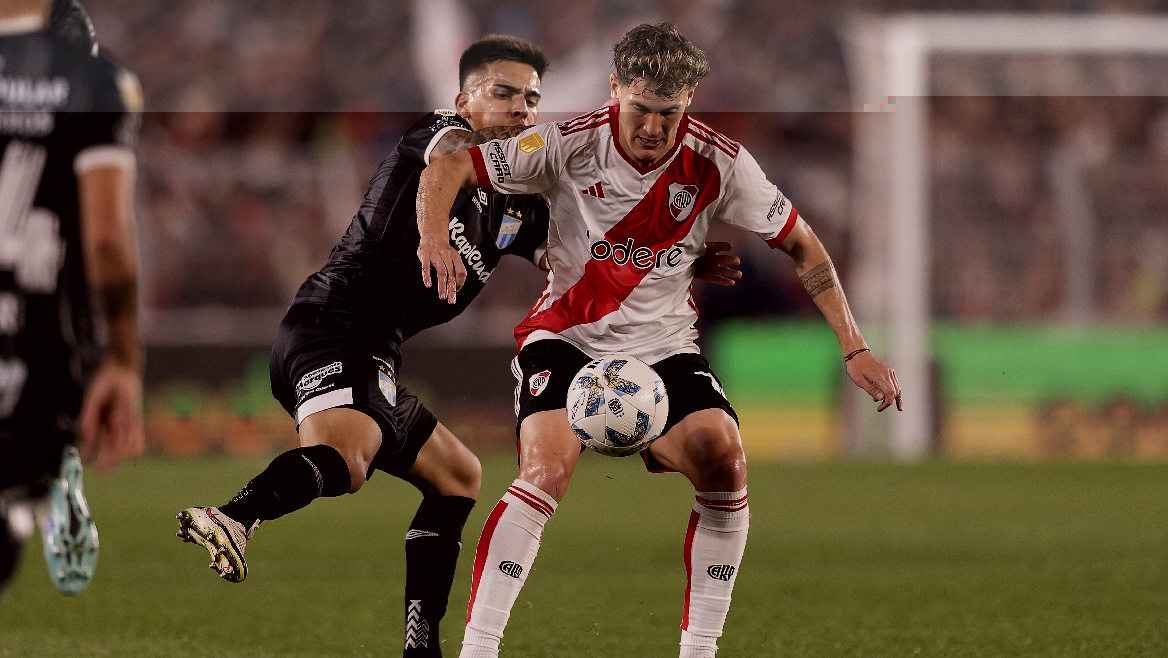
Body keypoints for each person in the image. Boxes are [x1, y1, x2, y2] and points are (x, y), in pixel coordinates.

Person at [174, 34, 739, 658]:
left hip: (375, 351)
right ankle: (235, 515)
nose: (520, 108)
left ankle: (422, 649)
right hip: (333, 327)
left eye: (531, 99)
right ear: (464, 98)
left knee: (458, 477)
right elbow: (444, 159)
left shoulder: (515, 204)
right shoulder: (441, 134)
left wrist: (674, 260)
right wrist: (431, 237)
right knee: (347, 461)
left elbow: (586, 256)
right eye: (503, 93)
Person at [416, 22, 903, 658]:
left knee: (725, 463)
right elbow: (449, 166)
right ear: (615, 88)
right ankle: (479, 651)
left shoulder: (720, 163)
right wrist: (433, 238)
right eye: (640, 109)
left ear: (689, 101)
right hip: (566, 336)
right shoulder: (565, 144)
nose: (652, 128)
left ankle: (699, 651)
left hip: (665, 346)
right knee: (546, 470)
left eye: (668, 113)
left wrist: (854, 346)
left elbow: (802, 245)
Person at [0, 0, 144, 599]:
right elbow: (106, 240)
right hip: (33, 357)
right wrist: (124, 357)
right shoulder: (92, 82)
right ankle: (28, 502)